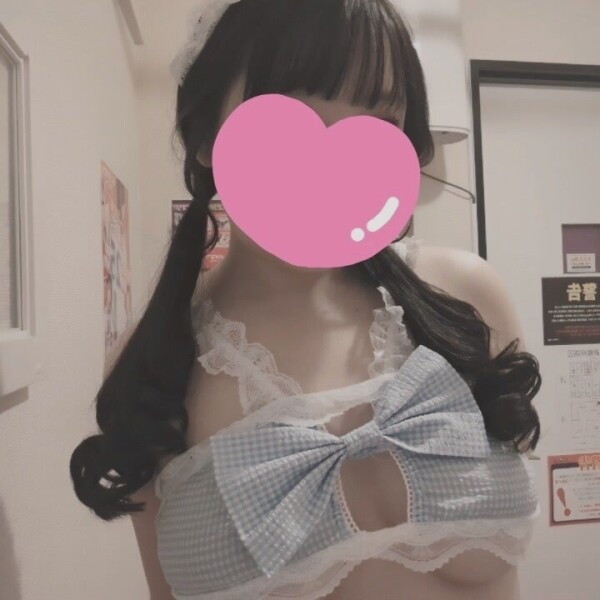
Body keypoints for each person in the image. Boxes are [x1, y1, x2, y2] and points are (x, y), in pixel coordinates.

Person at [70, 1, 542, 599]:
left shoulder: (466, 297)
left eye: (379, 124)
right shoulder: (155, 373)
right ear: (208, 136)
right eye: (291, 117)